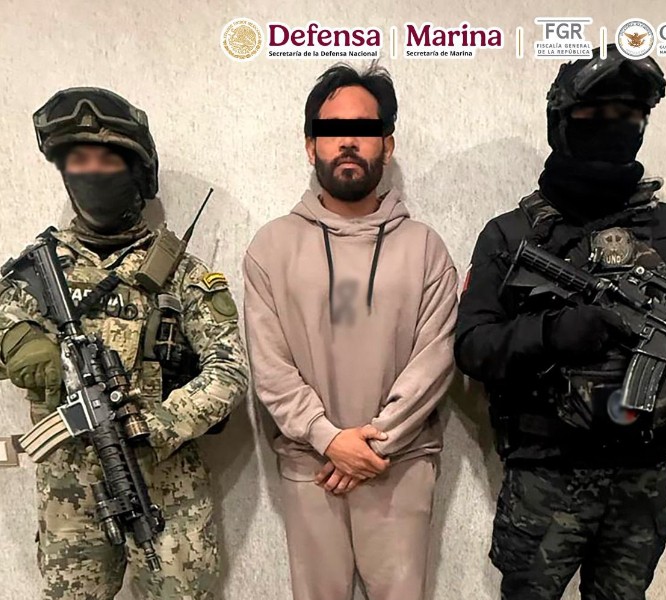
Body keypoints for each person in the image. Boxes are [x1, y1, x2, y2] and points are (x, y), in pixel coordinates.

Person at [455, 45, 666, 599]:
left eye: (629, 115)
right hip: (546, 477)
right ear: (561, 122)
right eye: (595, 114)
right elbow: (471, 344)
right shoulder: (512, 235)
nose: (613, 127)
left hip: (640, 480)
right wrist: (553, 334)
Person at [0, 87, 248, 599]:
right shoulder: (34, 271)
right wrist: (13, 336)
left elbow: (229, 370)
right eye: (79, 160)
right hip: (69, 497)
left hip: (166, 490)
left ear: (137, 172)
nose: (92, 172)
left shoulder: (181, 273)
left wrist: (156, 424)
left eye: (107, 160)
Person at [244, 63, 458, 600]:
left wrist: (370, 445)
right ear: (310, 145)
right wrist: (329, 439)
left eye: (363, 130)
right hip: (311, 467)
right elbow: (270, 366)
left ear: (387, 144)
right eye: (333, 130)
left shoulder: (425, 248)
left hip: (399, 467)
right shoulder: (271, 248)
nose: (348, 142)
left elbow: (436, 358)